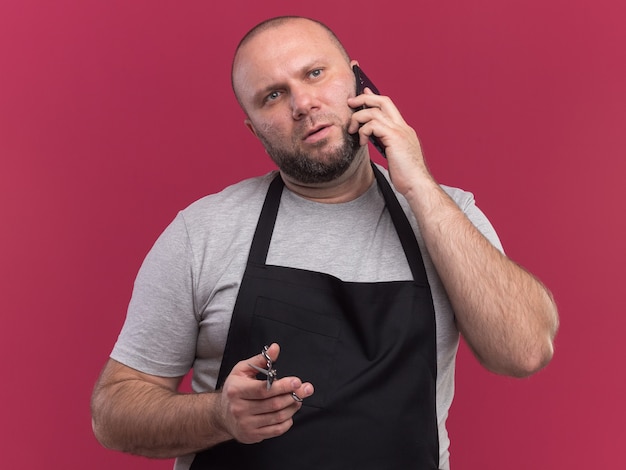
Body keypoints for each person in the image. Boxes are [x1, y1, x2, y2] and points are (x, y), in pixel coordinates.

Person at [91, 16, 559, 470]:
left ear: (359, 82)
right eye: (274, 95)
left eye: (315, 73)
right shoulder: (204, 232)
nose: (303, 103)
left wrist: (419, 186)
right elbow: (113, 413)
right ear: (255, 129)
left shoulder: (446, 215)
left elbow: (524, 351)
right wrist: (219, 415)